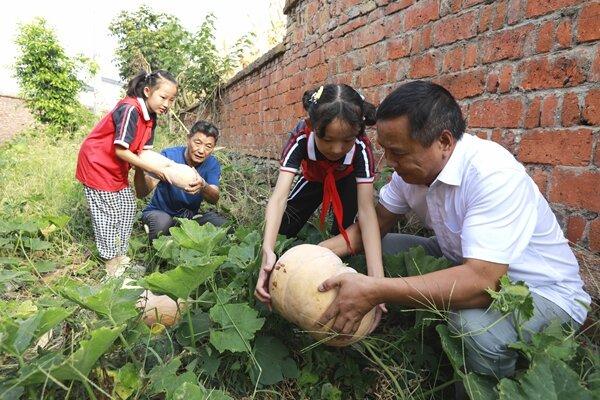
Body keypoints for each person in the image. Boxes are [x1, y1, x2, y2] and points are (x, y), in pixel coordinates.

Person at [317, 80, 590, 379]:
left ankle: (494, 386)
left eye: (397, 153)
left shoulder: (491, 173)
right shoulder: (410, 173)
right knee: (381, 246)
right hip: (465, 263)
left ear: (444, 142)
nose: (388, 163)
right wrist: (310, 254)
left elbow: (484, 281)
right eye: (384, 151)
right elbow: (371, 228)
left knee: (471, 326)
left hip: (542, 293)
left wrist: (376, 289)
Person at [255, 83, 386, 323]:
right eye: (327, 140)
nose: (336, 149)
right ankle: (278, 262)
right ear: (312, 127)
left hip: (346, 182)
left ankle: (336, 276)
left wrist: (377, 281)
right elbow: (279, 197)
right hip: (314, 178)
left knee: (344, 230)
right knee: (286, 222)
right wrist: (267, 249)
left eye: (346, 141)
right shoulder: (301, 138)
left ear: (358, 133)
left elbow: (367, 213)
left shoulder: (361, 149)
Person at [76, 70, 178, 277]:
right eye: (163, 97)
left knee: (128, 206)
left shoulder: (151, 117)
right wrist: (153, 170)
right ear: (148, 91)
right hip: (97, 164)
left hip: (116, 169)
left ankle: (120, 258)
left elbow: (144, 152)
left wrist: (172, 169)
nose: (167, 104)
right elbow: (120, 150)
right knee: (109, 214)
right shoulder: (130, 108)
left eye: (172, 100)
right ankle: (111, 268)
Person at [135, 120, 227, 241]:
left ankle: (180, 235)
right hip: (159, 213)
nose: (201, 150)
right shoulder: (168, 156)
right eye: (197, 143)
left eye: (208, 146)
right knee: (162, 224)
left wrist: (203, 186)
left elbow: (214, 198)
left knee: (225, 226)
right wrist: (139, 167)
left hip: (189, 219)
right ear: (188, 139)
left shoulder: (212, 164)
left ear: (213, 148)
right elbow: (142, 193)